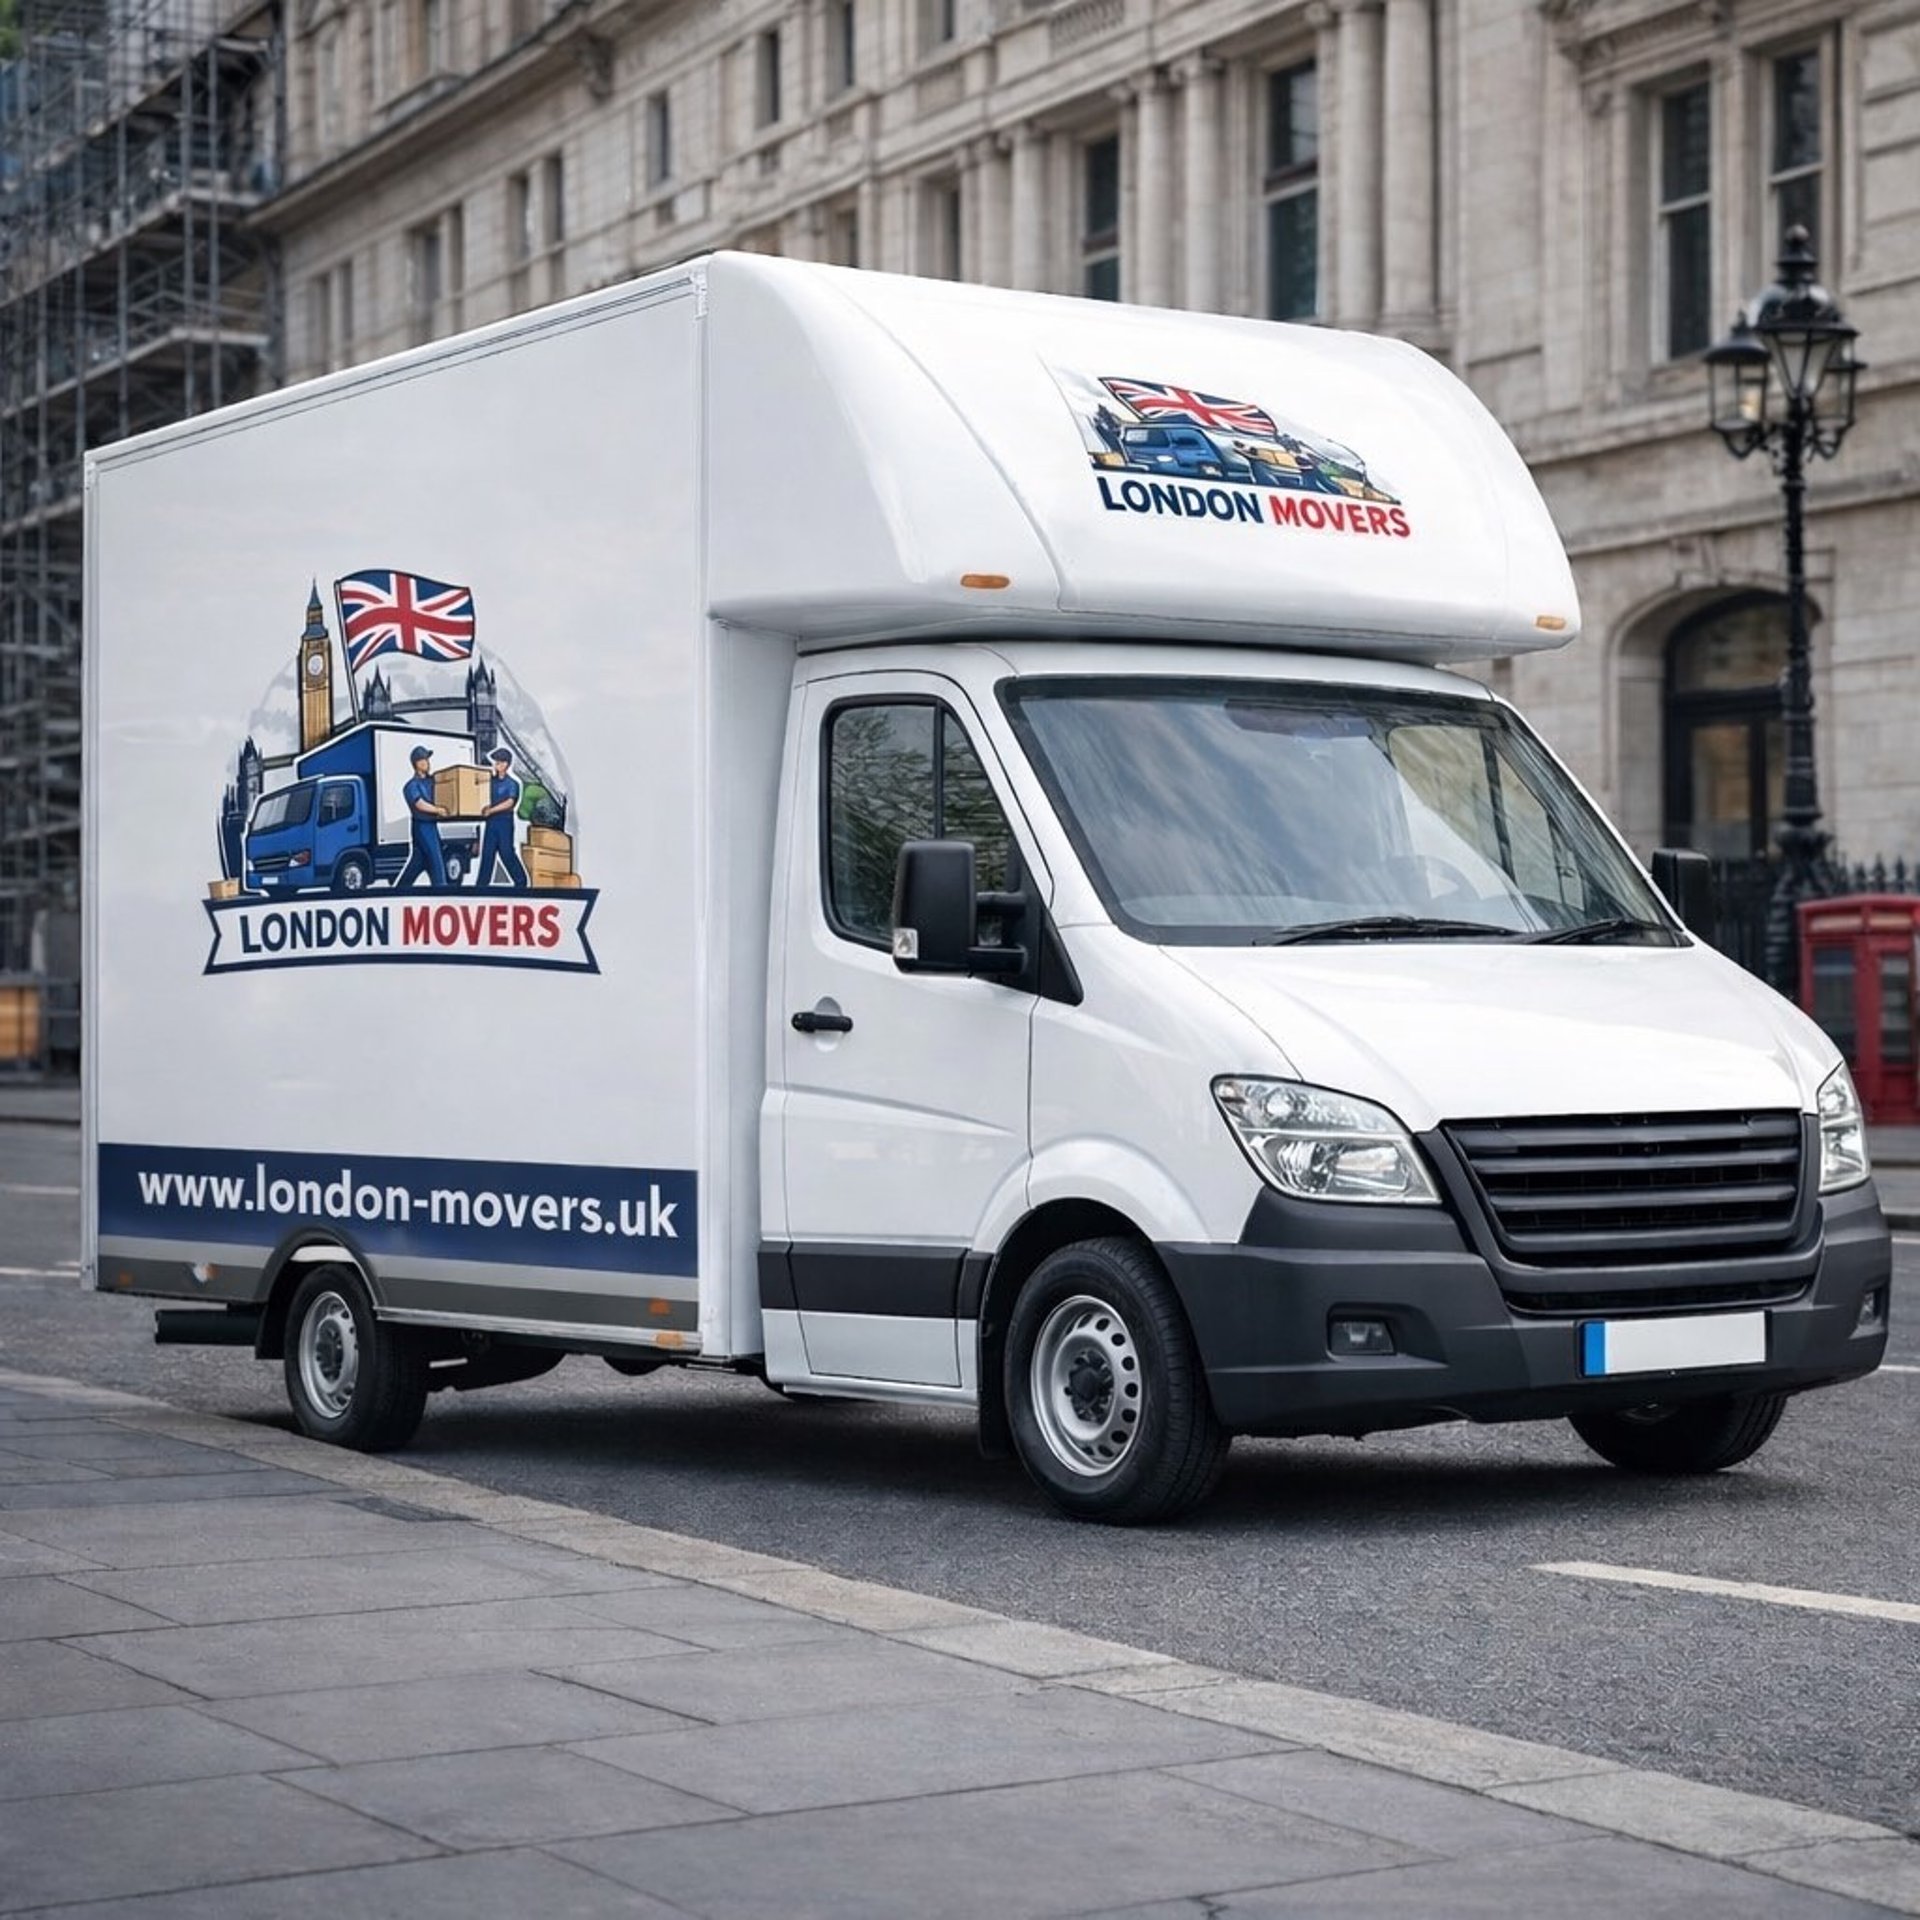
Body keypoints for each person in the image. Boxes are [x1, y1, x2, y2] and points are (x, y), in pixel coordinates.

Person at [396, 745, 448, 888]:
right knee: (436, 862)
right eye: (423, 760)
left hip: (432, 825)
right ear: (416, 764)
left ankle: (400, 891)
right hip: (421, 826)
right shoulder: (411, 786)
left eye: (427, 759)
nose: (427, 763)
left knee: (418, 862)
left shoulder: (432, 781)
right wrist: (437, 810)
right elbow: (419, 804)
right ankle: (441, 891)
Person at [477, 746, 528, 888]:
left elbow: (510, 803)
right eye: (496, 762)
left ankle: (521, 882)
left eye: (500, 762)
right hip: (491, 823)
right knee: (487, 855)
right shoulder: (490, 782)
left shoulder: (512, 784)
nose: (497, 765)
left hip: (504, 823)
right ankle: (480, 887)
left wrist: (492, 810)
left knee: (506, 853)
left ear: (506, 764)